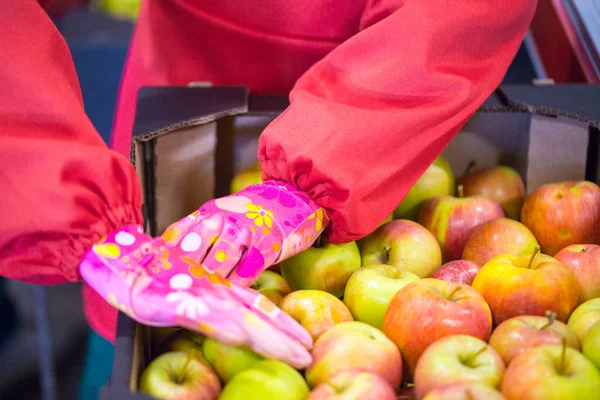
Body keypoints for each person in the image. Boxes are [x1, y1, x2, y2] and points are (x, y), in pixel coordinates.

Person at [1, 1, 538, 398]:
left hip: (394, 120)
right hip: (183, 109)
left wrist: (324, 167)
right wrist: (68, 203)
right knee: (124, 347)